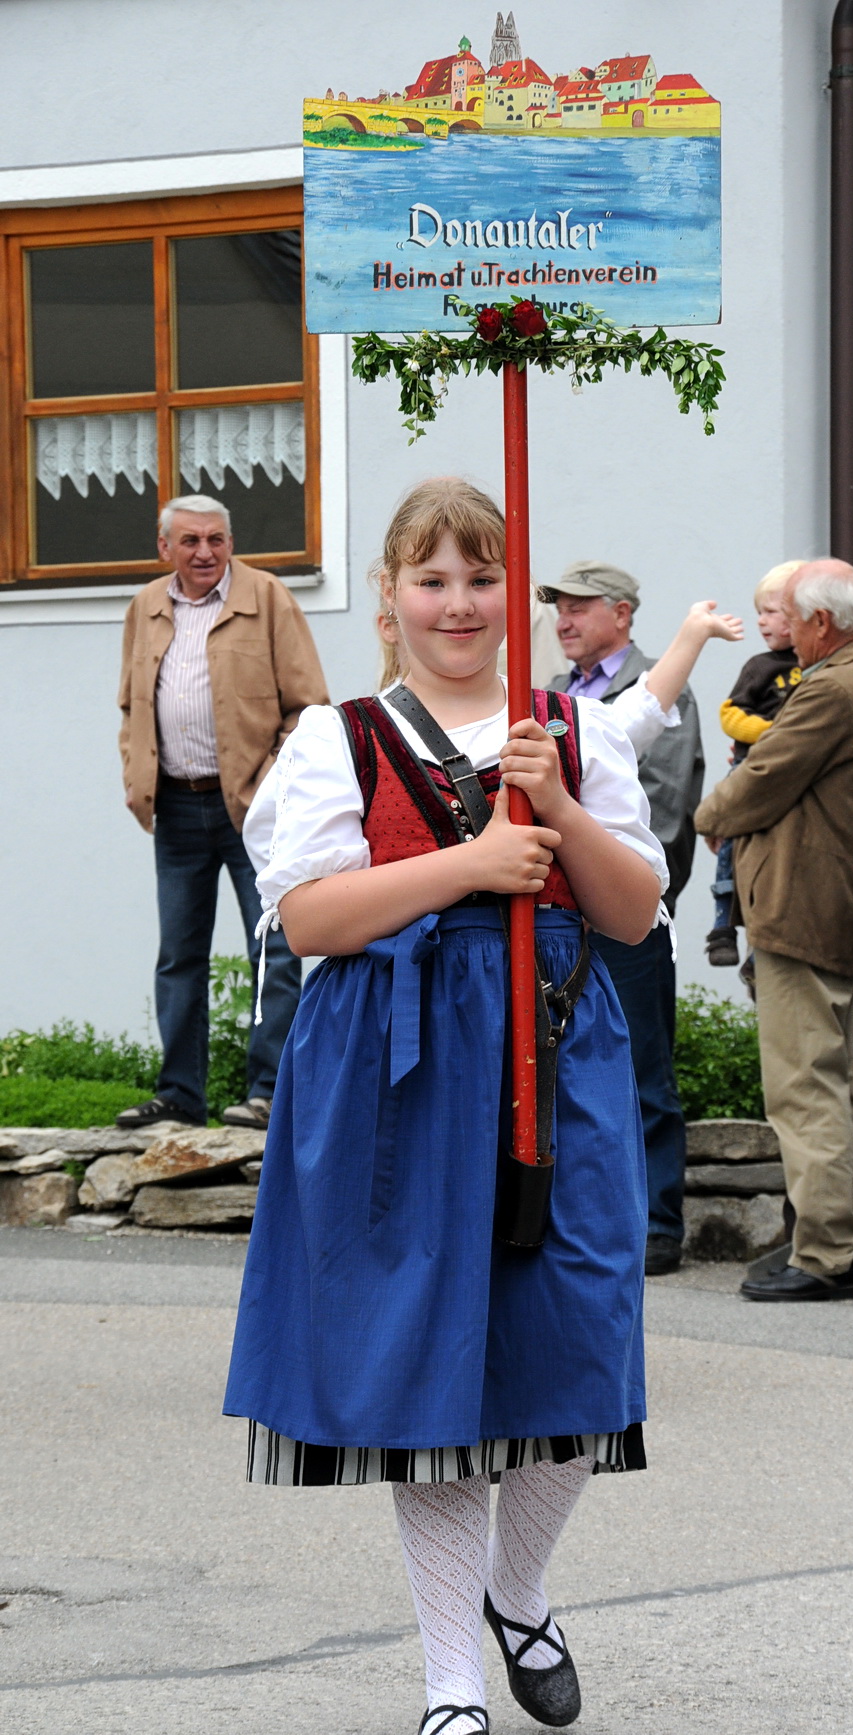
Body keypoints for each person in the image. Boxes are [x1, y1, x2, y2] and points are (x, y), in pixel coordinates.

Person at [224, 479, 666, 1735]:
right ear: (391, 596)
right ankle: (450, 1682)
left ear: (506, 593)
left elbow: (630, 913)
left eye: (480, 578)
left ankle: (516, 1588)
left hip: (555, 1052)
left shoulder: (572, 733)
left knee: (581, 1338)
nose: (458, 604)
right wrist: (469, 863)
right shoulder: (337, 738)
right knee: (430, 1372)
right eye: (433, 579)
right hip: (396, 1070)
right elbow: (311, 920)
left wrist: (562, 808)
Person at [695, 560, 853, 1301]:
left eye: (790, 614)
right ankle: (850, 1244)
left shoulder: (832, 685)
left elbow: (766, 776)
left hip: (802, 902)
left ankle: (822, 1251)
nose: (781, 627)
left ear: (822, 622)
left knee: (803, 1085)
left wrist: (709, 817)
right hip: (835, 901)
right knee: (837, 1078)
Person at [116, 495, 328, 1130]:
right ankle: (180, 1095)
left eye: (215, 539)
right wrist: (135, 776)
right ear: (165, 549)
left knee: (276, 948)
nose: (204, 552)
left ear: (231, 543)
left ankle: (267, 1092)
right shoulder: (145, 607)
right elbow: (130, 707)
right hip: (177, 806)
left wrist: (271, 785)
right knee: (179, 955)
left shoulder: (267, 599)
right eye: (190, 541)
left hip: (254, 809)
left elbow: (309, 710)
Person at [545, 562, 709, 1278]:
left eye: (578, 607)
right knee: (561, 1066)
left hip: (624, 915)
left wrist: (611, 886)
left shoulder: (661, 688)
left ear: (622, 614)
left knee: (642, 1068)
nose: (562, 620)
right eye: (556, 608)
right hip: (557, 915)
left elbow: (666, 807)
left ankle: (658, 1223)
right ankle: (582, 1215)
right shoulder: (546, 694)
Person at [707, 561, 803, 968]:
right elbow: (730, 714)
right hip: (751, 766)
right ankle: (723, 924)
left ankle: (763, 943)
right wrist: (771, 733)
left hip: (795, 774)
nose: (761, 621)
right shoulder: (760, 667)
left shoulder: (822, 669)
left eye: (772, 611)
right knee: (730, 839)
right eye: (759, 611)